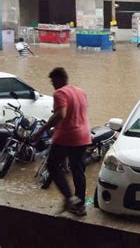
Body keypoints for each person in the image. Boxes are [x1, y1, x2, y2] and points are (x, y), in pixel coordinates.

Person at [34, 67, 91, 216]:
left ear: (60, 79)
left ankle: (69, 198)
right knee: (78, 170)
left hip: (67, 136)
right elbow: (77, 112)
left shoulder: (60, 93)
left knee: (52, 165)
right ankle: (80, 205)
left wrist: (42, 130)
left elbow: (61, 114)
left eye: (53, 81)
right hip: (84, 136)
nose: (52, 84)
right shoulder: (80, 91)